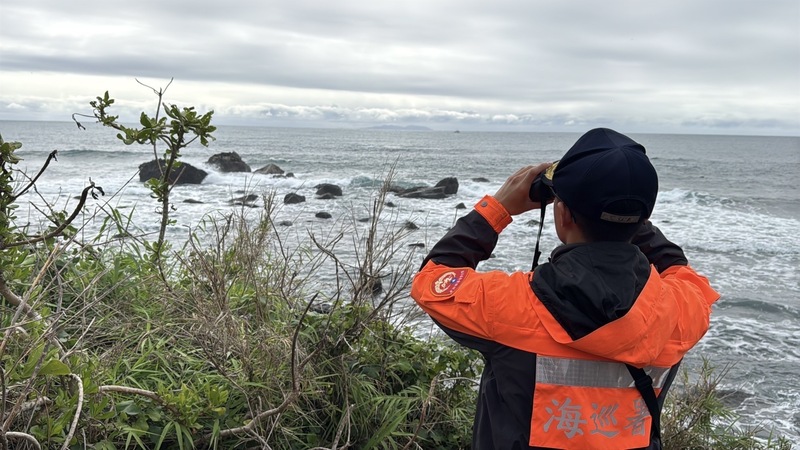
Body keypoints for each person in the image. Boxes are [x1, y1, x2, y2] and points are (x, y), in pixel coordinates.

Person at [410, 128, 719, 449]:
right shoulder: (682, 309)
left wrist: (497, 208)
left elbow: (432, 281)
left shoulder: (511, 307)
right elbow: (677, 268)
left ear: (563, 214)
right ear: (643, 218)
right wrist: (626, 213)